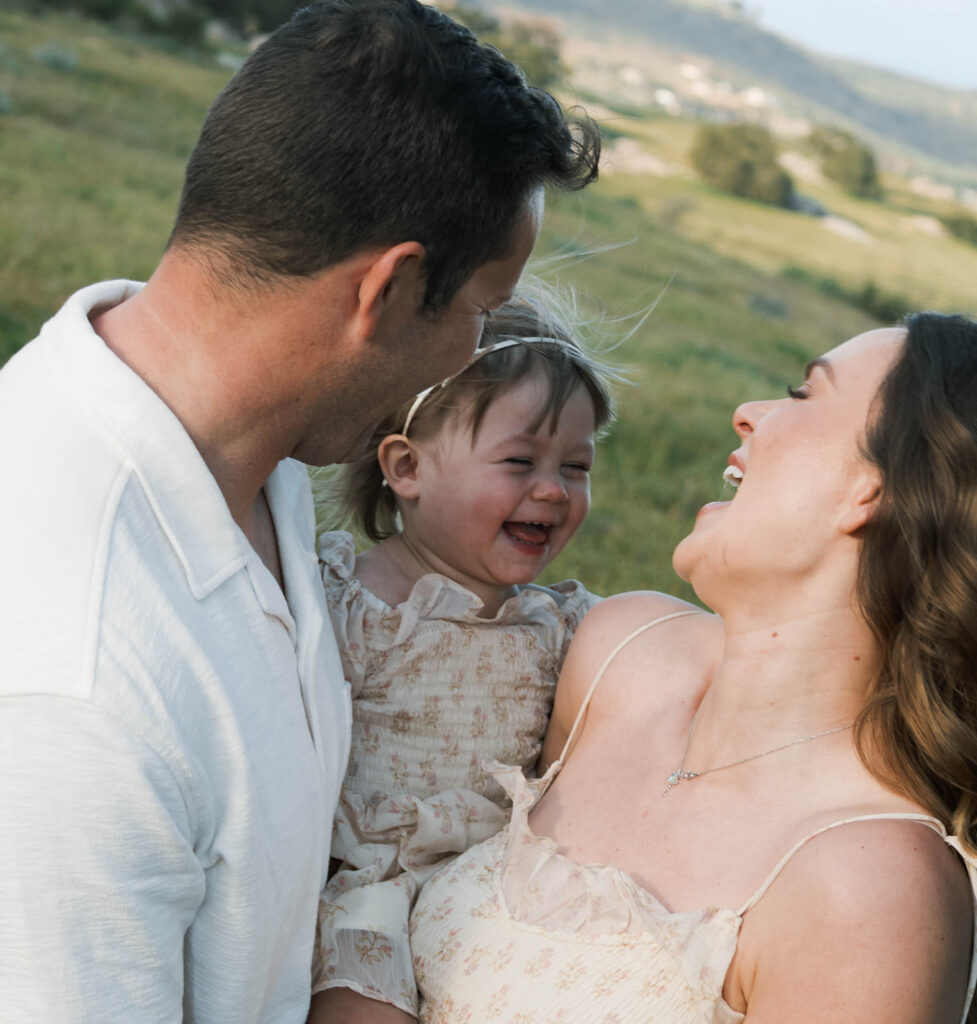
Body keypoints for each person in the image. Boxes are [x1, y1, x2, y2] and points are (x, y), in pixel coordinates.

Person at [0, 1, 600, 1020]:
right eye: (477, 313)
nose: (474, 351)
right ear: (391, 288)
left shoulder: (252, 459)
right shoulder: (80, 678)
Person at [410, 313, 977, 1023]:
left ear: (876, 489)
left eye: (803, 394)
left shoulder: (869, 891)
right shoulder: (623, 652)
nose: (748, 414)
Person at [307, 287, 616, 1022]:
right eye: (520, 461)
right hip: (368, 885)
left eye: (576, 467)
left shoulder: (562, 627)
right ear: (407, 469)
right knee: (362, 998)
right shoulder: (352, 603)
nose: (552, 489)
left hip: (495, 890)